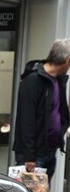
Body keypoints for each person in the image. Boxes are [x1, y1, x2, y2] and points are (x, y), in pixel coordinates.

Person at [13, 38, 70, 183]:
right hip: (34, 155)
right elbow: (26, 120)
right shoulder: (33, 81)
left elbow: (60, 110)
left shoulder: (59, 80)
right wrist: (29, 155)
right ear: (68, 60)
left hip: (50, 150)